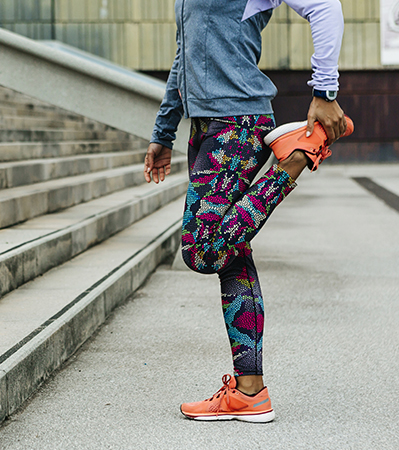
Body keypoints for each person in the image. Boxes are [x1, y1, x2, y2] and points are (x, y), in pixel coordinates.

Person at [144, 0, 354, 423]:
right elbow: (185, 53)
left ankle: (293, 161)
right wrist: (164, 131)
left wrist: (325, 91)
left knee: (202, 250)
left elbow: (325, 7)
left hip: (236, 124)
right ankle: (249, 393)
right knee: (232, 255)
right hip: (205, 127)